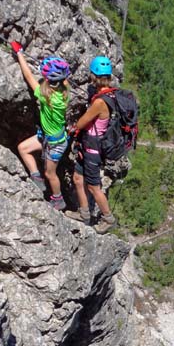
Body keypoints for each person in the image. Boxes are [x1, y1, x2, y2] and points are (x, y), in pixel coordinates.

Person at [11, 41, 70, 210]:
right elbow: (64, 81)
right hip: (49, 138)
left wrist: (20, 53)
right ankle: (36, 178)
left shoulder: (46, 96)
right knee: (23, 148)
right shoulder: (65, 93)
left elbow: (29, 77)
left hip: (55, 145)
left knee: (50, 173)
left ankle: (58, 199)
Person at [65, 56, 117, 234]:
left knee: (94, 187)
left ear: (94, 76)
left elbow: (83, 122)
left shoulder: (100, 101)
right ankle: (84, 214)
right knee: (78, 179)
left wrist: (71, 129)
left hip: (93, 150)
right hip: (88, 147)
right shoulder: (109, 93)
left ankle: (108, 218)